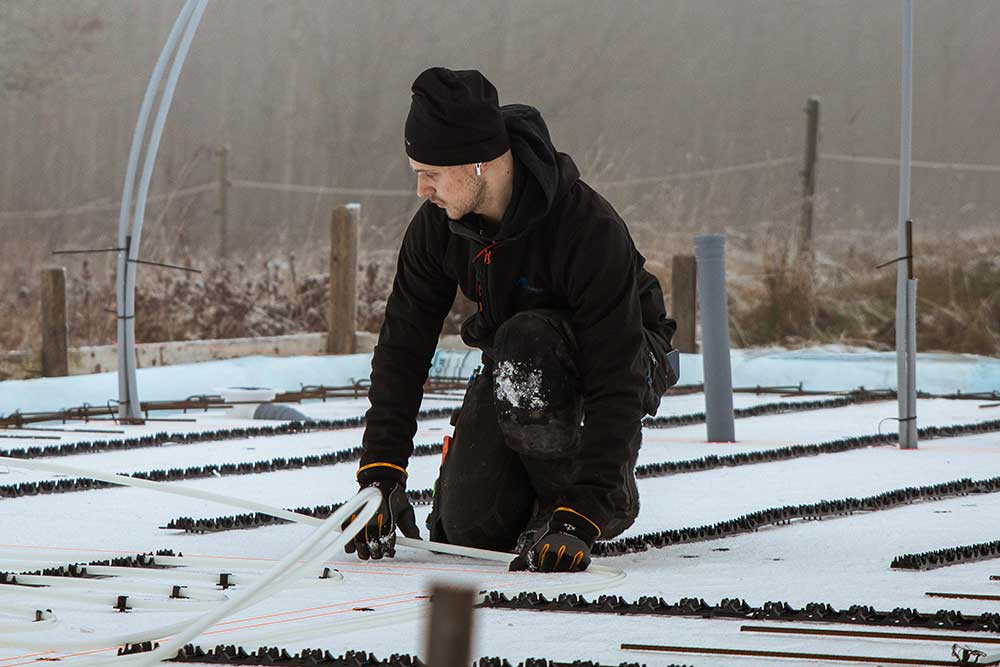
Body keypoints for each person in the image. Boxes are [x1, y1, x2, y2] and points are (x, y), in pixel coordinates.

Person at [345, 67, 677, 573]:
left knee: (527, 341)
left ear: (478, 164)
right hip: (518, 364)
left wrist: (583, 509)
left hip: (626, 356)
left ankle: (597, 498)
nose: (420, 189)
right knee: (466, 530)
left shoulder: (586, 228)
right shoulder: (439, 227)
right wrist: (381, 473)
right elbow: (403, 346)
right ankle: (534, 498)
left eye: (431, 172)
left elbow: (619, 373)